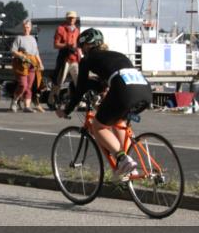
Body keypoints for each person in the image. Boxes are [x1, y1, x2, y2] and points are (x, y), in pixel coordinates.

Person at [59, 28, 152, 181]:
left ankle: (123, 159)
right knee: (118, 121)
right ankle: (129, 168)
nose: (81, 51)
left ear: (87, 45)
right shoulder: (117, 55)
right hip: (145, 91)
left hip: (125, 92)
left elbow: (80, 89)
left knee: (98, 126)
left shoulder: (87, 59)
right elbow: (105, 82)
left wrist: (66, 110)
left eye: (82, 47)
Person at [9, 18, 44, 113]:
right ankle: (15, 101)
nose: (26, 29)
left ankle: (27, 106)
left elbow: (36, 53)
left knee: (29, 86)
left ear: (30, 28)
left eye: (28, 27)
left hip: (32, 64)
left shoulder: (33, 39)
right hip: (21, 65)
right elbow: (13, 50)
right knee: (23, 85)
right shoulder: (19, 38)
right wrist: (22, 56)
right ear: (22, 28)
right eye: (25, 27)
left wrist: (40, 63)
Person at [51, 10, 82, 103]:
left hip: (75, 59)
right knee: (59, 81)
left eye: (73, 18)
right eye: (70, 18)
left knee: (79, 82)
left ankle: (79, 101)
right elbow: (56, 45)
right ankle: (52, 100)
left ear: (75, 19)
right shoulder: (61, 29)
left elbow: (78, 46)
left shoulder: (77, 30)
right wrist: (67, 45)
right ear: (67, 18)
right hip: (64, 58)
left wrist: (80, 56)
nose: (71, 19)